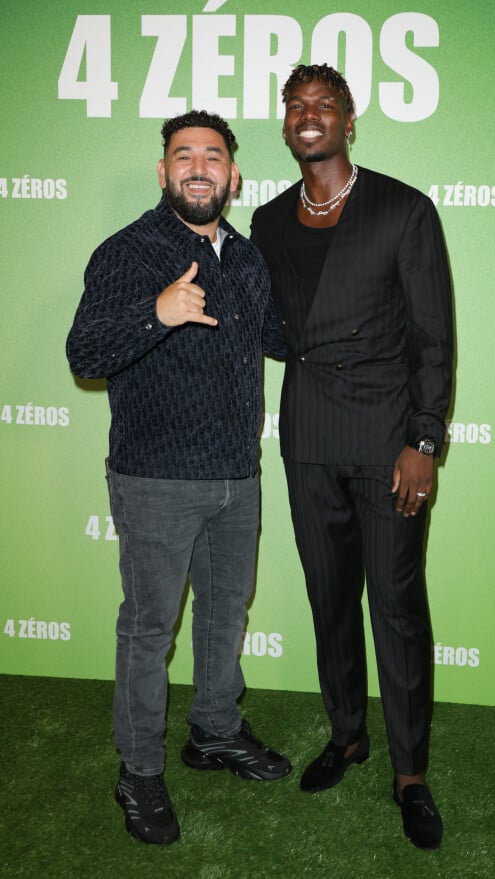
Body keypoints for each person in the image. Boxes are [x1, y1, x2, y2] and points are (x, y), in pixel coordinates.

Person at [66, 110, 291, 847]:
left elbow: (282, 337)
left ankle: (215, 730)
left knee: (226, 617)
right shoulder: (128, 252)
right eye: (183, 155)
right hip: (156, 480)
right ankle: (138, 767)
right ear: (164, 172)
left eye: (213, 156)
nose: (199, 166)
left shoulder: (249, 258)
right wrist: (156, 313)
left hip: (237, 476)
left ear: (232, 176)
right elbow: (85, 353)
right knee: (149, 630)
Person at [250, 64, 453, 850]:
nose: (308, 117)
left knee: (396, 607)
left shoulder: (403, 209)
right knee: (329, 597)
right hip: (307, 439)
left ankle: (410, 772)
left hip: (387, 443)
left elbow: (434, 338)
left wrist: (424, 439)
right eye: (295, 106)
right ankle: (348, 734)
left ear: (349, 119)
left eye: (322, 106)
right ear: (285, 121)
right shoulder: (269, 221)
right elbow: (273, 328)